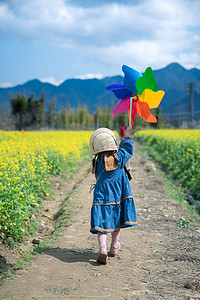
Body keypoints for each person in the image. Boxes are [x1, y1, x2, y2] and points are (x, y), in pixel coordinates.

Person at [89, 126, 137, 264]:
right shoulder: (119, 157)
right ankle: (115, 245)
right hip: (117, 194)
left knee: (102, 220)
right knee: (116, 218)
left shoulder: (97, 161)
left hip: (101, 195)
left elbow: (110, 170)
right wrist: (127, 136)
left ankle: (102, 248)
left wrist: (124, 169)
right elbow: (127, 149)